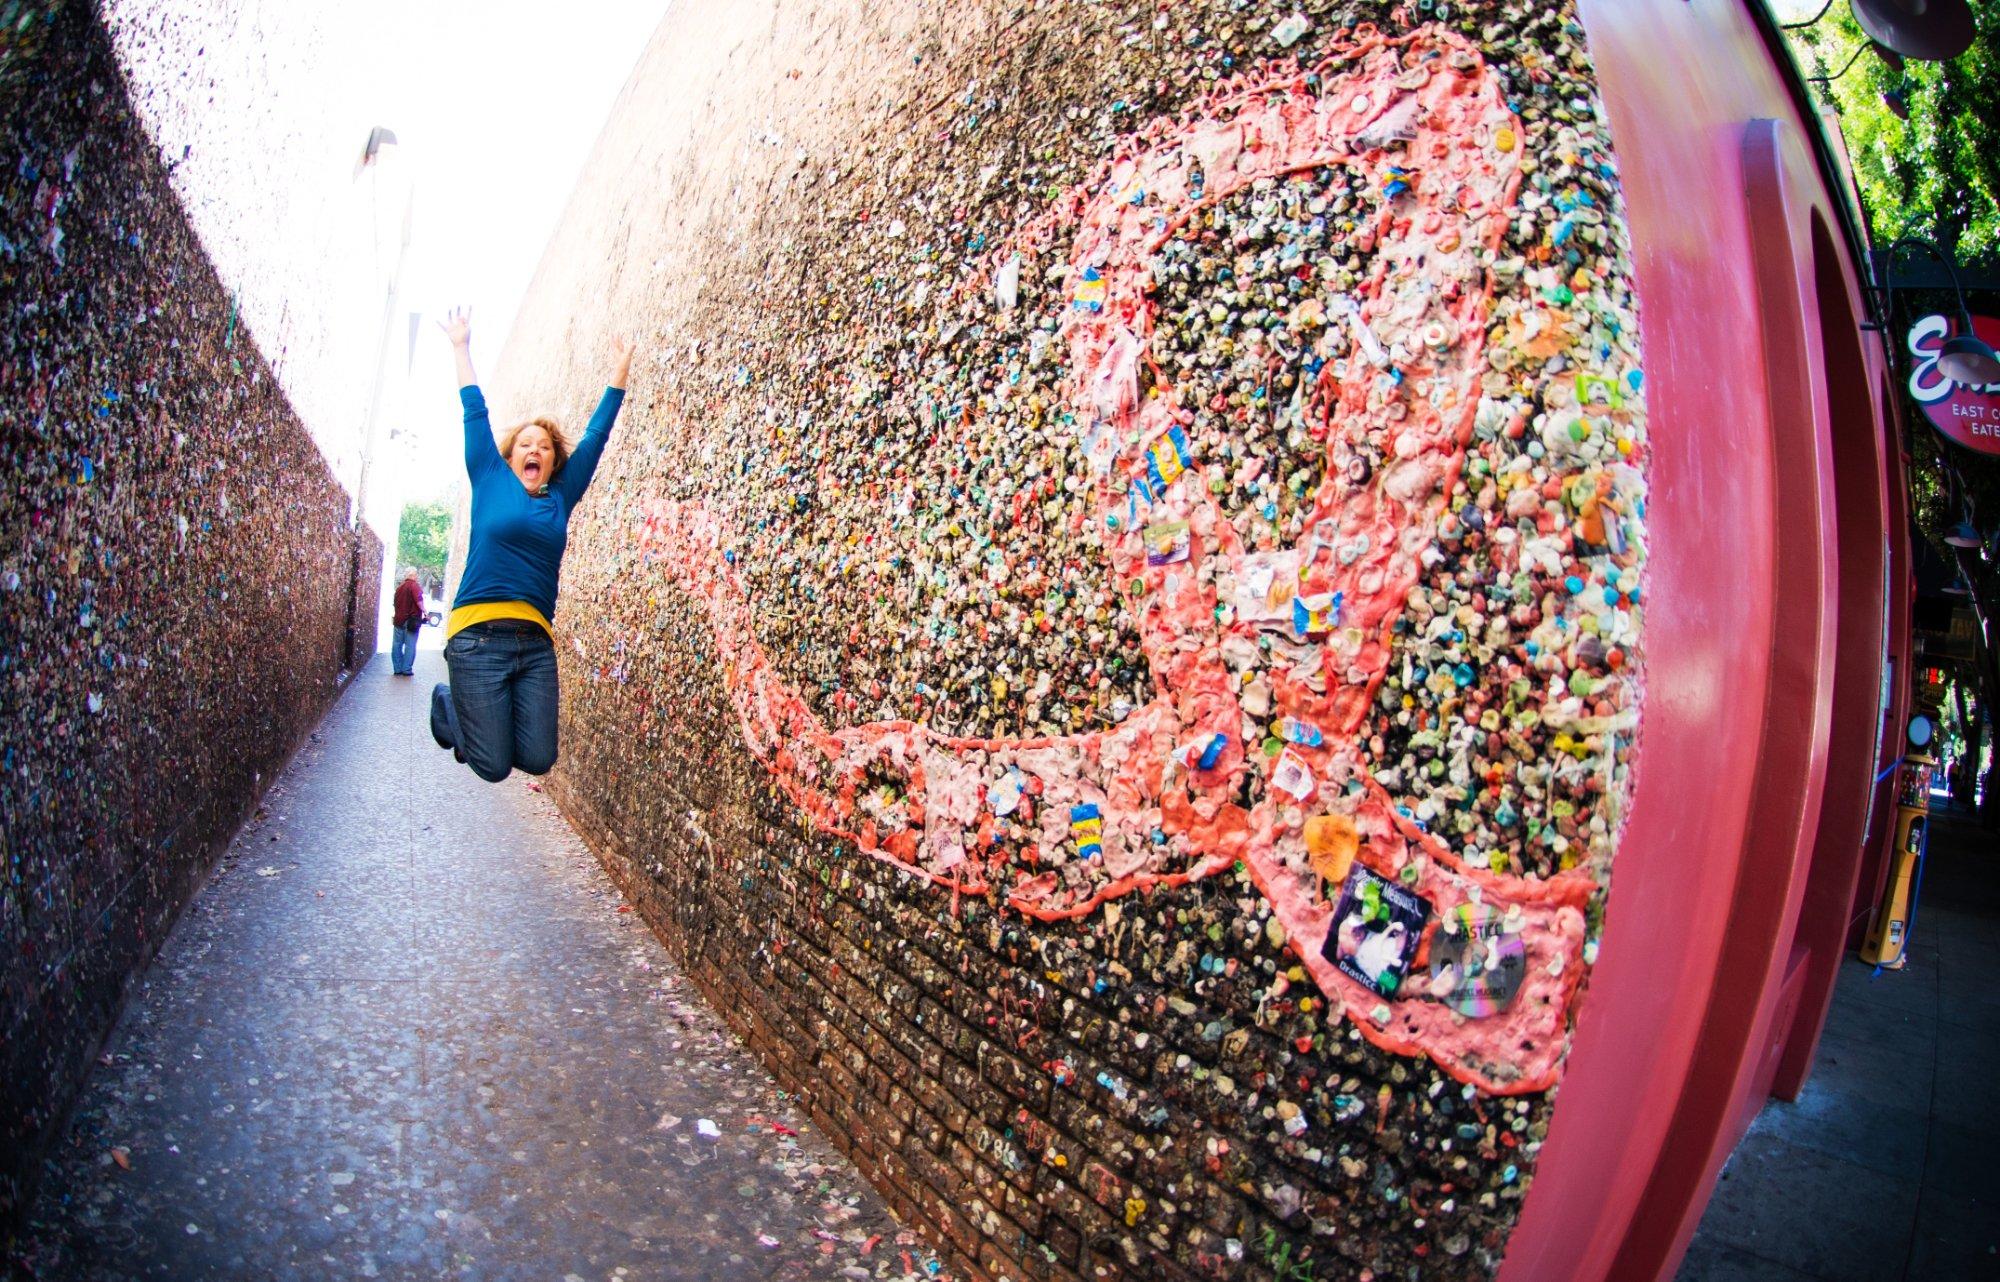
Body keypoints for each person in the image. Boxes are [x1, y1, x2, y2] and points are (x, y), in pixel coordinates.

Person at [428, 305, 633, 782]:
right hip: (477, 637)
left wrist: (620, 373)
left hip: (534, 641)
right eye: (525, 444)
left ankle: (479, 719)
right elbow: (474, 410)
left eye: (544, 446)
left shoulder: (561, 496)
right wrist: (460, 346)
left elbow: (596, 437)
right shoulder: (489, 476)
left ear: (553, 461)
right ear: (510, 456)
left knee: (539, 758)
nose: (535, 449)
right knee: (493, 767)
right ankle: (448, 707)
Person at [390, 566, 424, 675]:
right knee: (410, 646)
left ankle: (397, 668)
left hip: (398, 619)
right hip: (411, 621)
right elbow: (418, 600)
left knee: (397, 644)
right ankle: (406, 669)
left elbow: (395, 603)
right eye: (416, 575)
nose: (417, 577)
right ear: (413, 575)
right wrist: (425, 612)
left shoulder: (399, 587)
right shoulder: (414, 586)